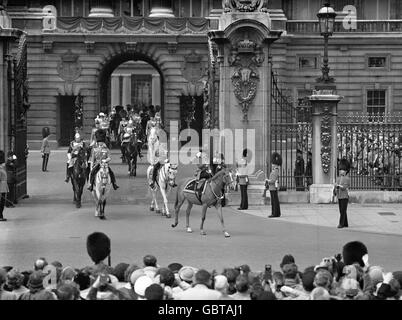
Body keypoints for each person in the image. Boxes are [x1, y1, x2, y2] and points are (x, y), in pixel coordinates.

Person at [335, 158, 351, 229]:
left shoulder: (347, 178)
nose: (341, 171)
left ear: (346, 171)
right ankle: (345, 223)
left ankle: (341, 224)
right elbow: (336, 187)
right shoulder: (338, 178)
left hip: (345, 197)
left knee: (343, 210)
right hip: (339, 196)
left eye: (343, 170)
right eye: (341, 169)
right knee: (341, 210)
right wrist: (335, 188)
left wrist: (339, 186)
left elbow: (345, 187)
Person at [266, 152, 282, 218]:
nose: (272, 164)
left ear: (275, 164)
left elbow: (273, 180)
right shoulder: (275, 170)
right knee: (275, 201)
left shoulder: (275, 170)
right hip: (272, 187)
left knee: (274, 201)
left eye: (273, 164)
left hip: (273, 187)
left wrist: (267, 180)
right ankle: (276, 213)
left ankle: (274, 213)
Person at [0, 151, 9, 222]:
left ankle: (1, 215)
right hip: (1, 187)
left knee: (2, 202)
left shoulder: (2, 167)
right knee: (1, 202)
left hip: (3, 186)